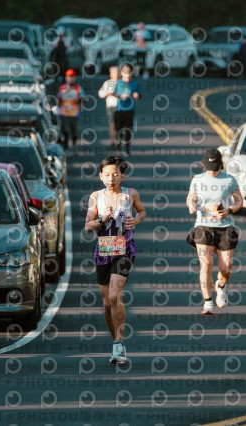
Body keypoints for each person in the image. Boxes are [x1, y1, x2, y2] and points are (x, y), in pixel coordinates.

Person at [85, 156, 146, 365]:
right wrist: (102, 219)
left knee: (114, 296)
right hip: (104, 251)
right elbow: (88, 225)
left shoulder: (131, 194)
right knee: (106, 303)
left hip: (125, 249)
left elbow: (142, 211)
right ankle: (116, 343)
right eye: (107, 175)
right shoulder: (95, 197)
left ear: (122, 176)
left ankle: (119, 344)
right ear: (101, 176)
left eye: (115, 174)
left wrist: (136, 219)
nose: (111, 178)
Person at [186, 149, 242, 315]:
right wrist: (191, 204)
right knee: (206, 264)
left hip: (225, 227)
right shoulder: (197, 179)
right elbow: (191, 197)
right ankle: (208, 302)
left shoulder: (229, 179)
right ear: (204, 164)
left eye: (215, 168)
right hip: (203, 227)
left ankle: (221, 285)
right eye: (210, 168)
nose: (213, 171)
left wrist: (229, 210)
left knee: (226, 267)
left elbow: (239, 200)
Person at [113, 64, 140, 157]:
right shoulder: (118, 83)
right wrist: (120, 96)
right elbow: (114, 93)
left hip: (130, 110)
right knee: (119, 129)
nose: (127, 76)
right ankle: (120, 142)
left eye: (129, 73)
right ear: (121, 73)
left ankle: (127, 148)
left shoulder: (134, 84)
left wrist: (137, 96)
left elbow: (139, 95)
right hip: (119, 110)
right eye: (125, 73)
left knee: (128, 129)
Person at [57, 68, 85, 152]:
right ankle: (65, 147)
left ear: (75, 78)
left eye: (72, 77)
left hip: (75, 113)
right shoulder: (62, 88)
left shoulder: (79, 88)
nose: (70, 79)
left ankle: (74, 144)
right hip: (64, 113)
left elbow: (84, 99)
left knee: (74, 131)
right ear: (66, 78)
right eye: (69, 77)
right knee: (65, 130)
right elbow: (58, 99)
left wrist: (79, 100)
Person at [98, 66, 120, 152]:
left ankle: (119, 141)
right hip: (111, 106)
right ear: (110, 74)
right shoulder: (107, 83)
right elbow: (100, 93)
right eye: (114, 73)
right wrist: (106, 93)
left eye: (117, 73)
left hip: (121, 107)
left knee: (119, 125)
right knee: (112, 124)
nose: (116, 75)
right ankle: (113, 142)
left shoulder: (121, 82)